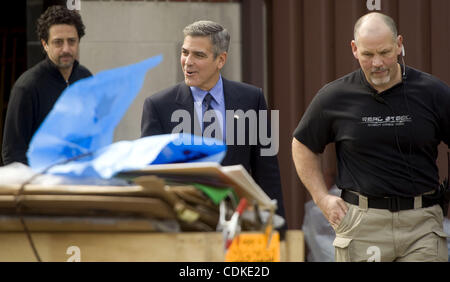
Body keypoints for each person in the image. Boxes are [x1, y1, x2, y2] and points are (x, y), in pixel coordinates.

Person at [292, 12, 449, 261]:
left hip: (422, 225)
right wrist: (321, 197)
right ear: (354, 49)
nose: (377, 63)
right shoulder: (334, 96)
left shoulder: (433, 92)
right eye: (367, 54)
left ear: (399, 44)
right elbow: (302, 145)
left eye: (385, 52)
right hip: (362, 225)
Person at [141, 20, 286, 220]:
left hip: (239, 221)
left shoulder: (251, 99)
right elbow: (151, 176)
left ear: (221, 60)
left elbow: (267, 173)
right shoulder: (158, 106)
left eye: (198, 55)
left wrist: (277, 231)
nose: (188, 62)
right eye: (185, 52)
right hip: (182, 223)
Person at [2, 5, 92, 165]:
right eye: (58, 42)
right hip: (42, 185)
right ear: (45, 44)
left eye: (71, 41)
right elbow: (13, 153)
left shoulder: (86, 79)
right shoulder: (27, 87)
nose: (66, 49)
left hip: (80, 180)